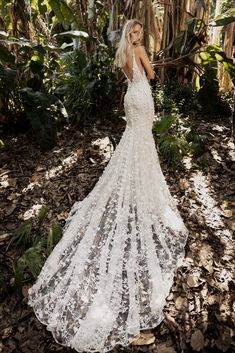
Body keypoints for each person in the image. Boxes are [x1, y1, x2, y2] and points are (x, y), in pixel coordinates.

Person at [27, 18, 188, 353]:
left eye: (138, 34)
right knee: (142, 143)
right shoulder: (140, 51)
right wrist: (149, 59)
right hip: (142, 98)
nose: (137, 37)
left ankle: (133, 186)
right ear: (134, 34)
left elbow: (132, 77)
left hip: (131, 99)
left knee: (134, 142)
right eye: (136, 33)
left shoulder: (121, 55)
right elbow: (152, 75)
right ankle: (141, 191)